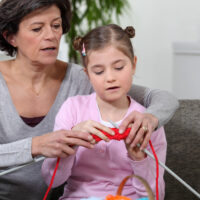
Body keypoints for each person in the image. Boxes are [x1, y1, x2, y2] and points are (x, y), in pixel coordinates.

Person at [0, 0, 178, 199]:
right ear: (10, 37)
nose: (50, 35)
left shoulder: (84, 78)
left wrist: (151, 119)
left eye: (56, 25)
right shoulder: (75, 102)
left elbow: (161, 97)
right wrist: (35, 146)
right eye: (37, 28)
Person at [42, 24, 167, 200]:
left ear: (133, 65)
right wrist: (70, 144)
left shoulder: (146, 123)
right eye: (99, 71)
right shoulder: (72, 109)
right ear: (88, 75)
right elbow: (52, 181)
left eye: (118, 67)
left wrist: (138, 160)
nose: (110, 78)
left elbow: (155, 196)